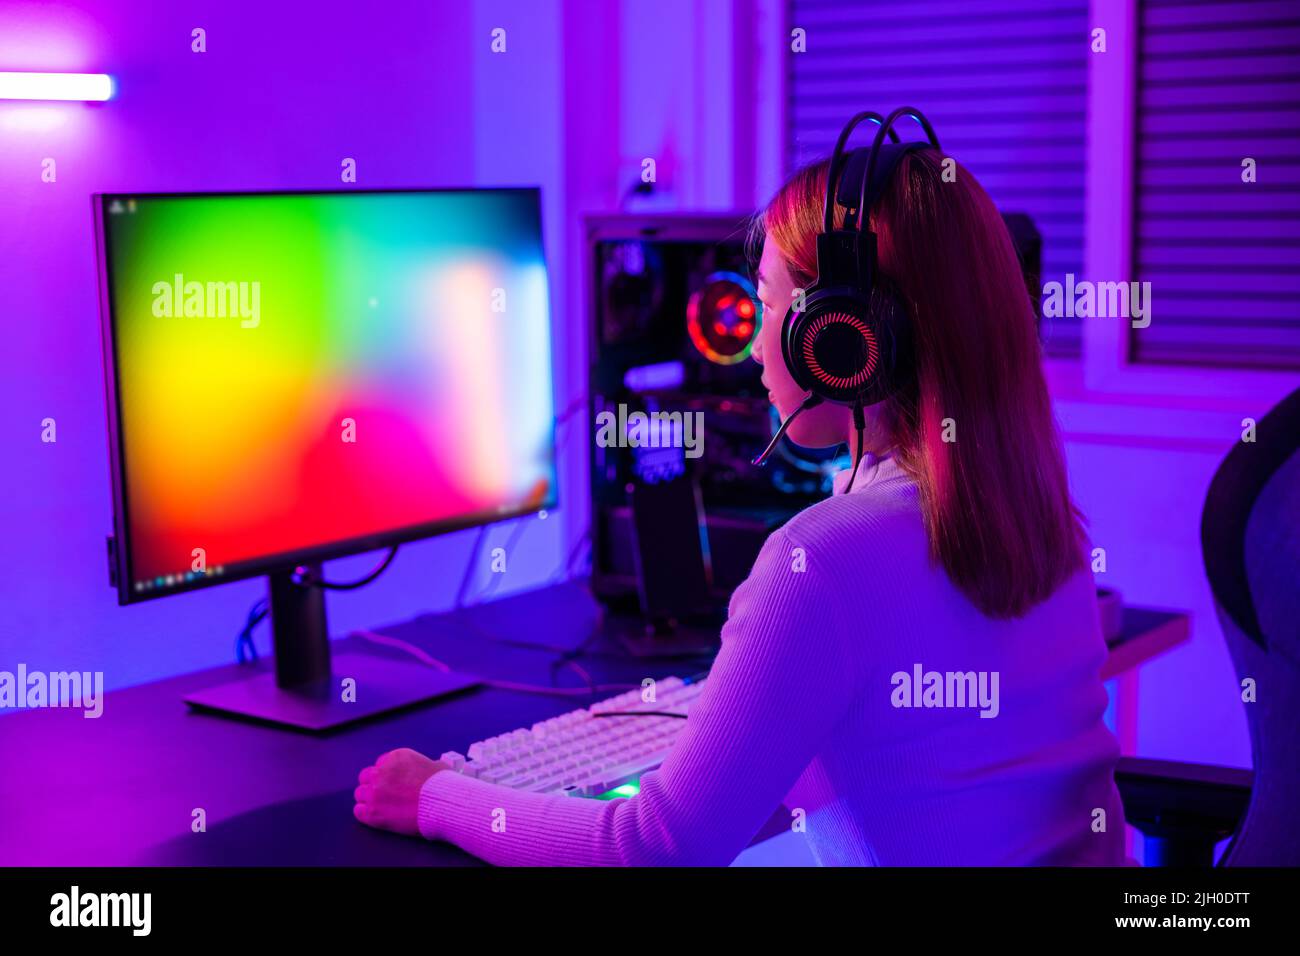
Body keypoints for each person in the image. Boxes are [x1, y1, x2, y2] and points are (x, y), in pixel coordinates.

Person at [353, 147, 1127, 866]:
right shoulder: (1039, 518)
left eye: (764, 305)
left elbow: (653, 846)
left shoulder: (823, 559)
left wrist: (435, 797)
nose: (753, 347)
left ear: (842, 338)